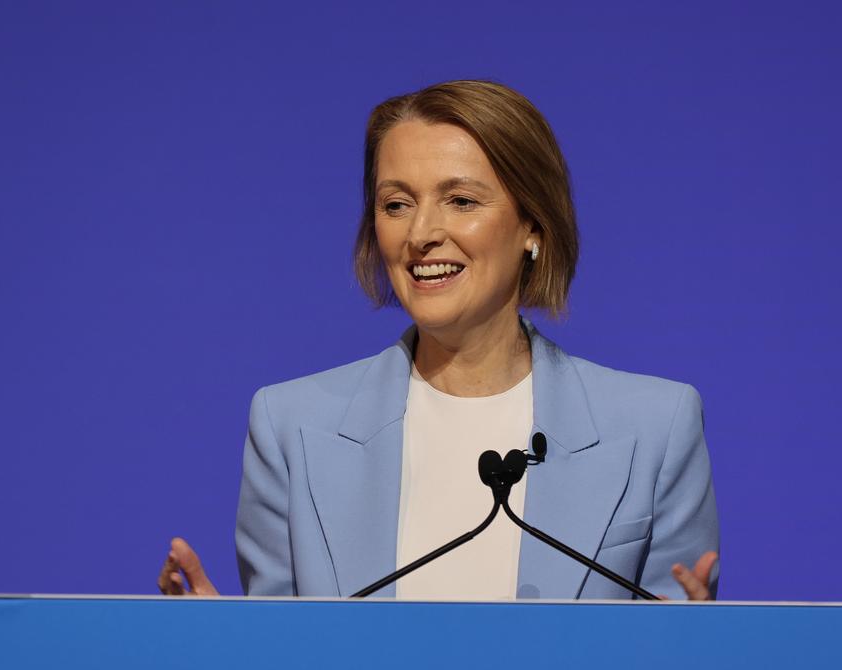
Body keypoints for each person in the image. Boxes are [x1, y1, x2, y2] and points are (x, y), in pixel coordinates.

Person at [157, 80, 719, 601]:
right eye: (396, 204)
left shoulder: (655, 428)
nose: (421, 234)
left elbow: (673, 667)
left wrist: (693, 653)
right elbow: (285, 668)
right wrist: (227, 646)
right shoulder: (290, 427)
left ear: (533, 227)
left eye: (462, 201)